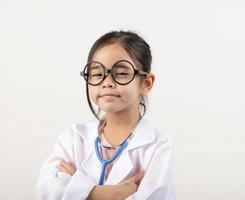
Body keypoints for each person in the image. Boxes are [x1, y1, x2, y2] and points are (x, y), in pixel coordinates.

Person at [36, 30, 175, 200]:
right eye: (97, 74)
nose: (107, 83)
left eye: (121, 73)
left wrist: (76, 188)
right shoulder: (73, 138)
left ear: (146, 83)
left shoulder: (158, 146)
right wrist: (106, 194)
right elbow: (48, 189)